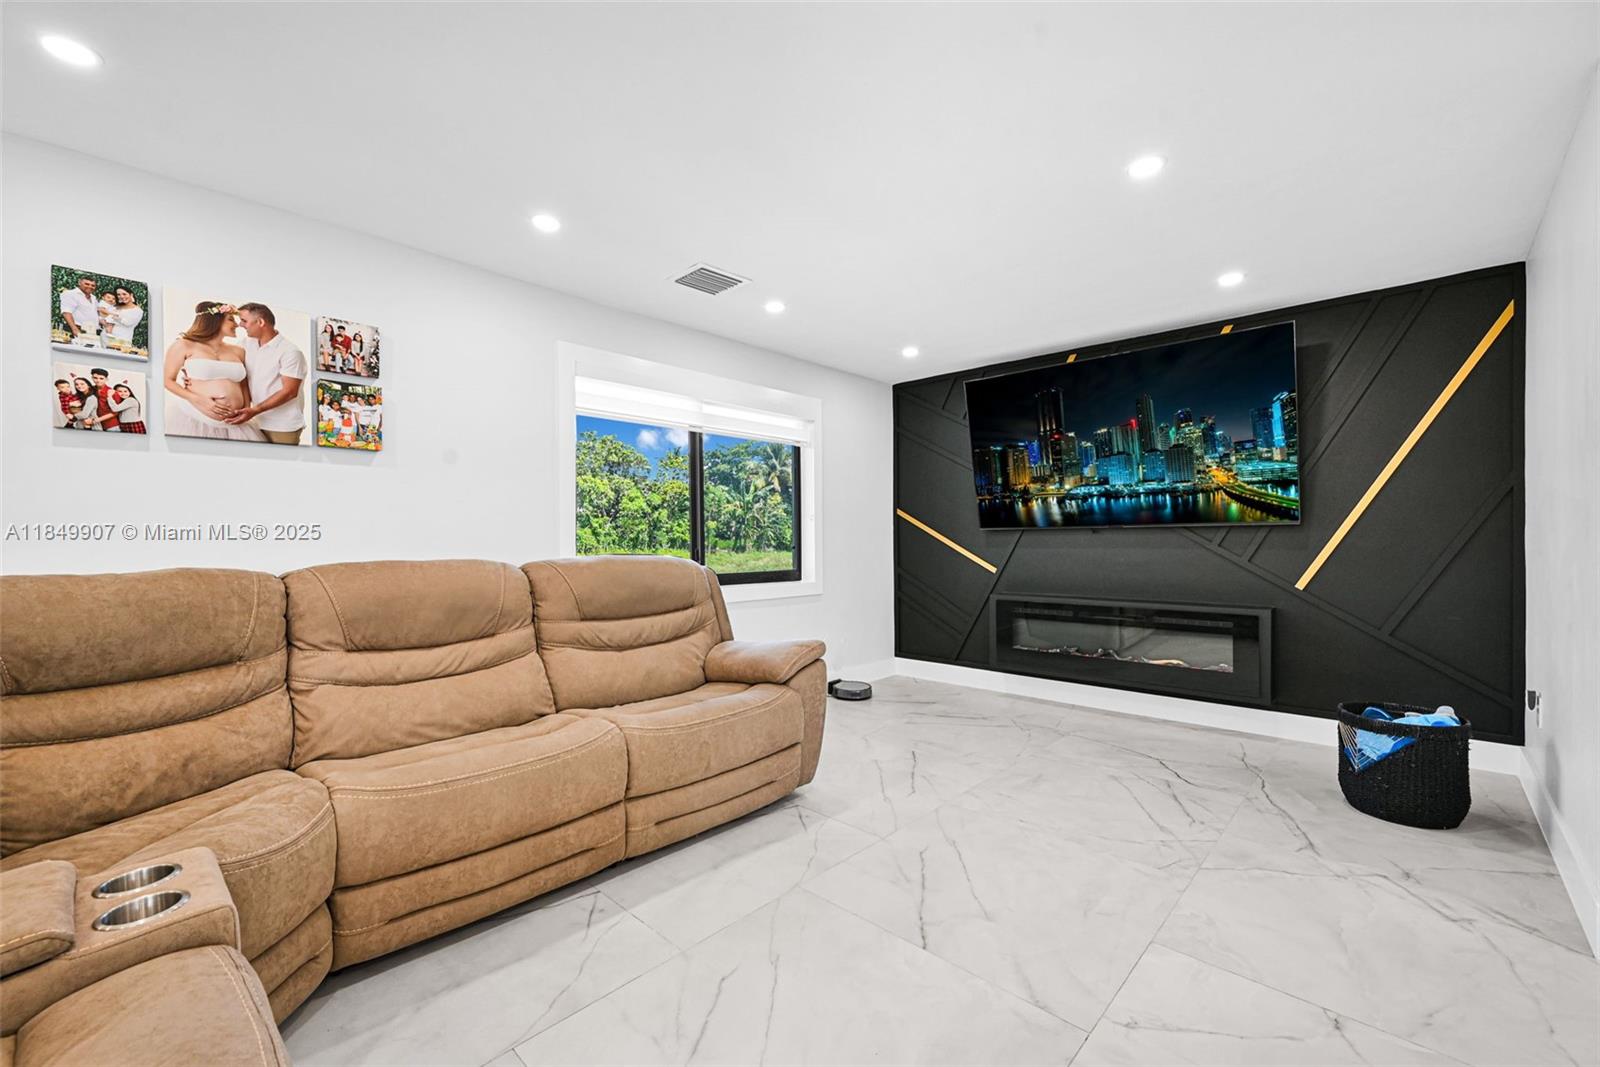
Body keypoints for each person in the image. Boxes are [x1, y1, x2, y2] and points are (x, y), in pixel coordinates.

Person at [162, 301, 265, 441]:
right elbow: (167, 380)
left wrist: (246, 408)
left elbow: (243, 384)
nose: (236, 324)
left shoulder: (239, 351)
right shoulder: (183, 345)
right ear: (214, 321)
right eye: (231, 320)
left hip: (237, 425)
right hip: (195, 419)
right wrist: (199, 399)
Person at [230, 303, 307, 445]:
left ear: (260, 322)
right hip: (254, 422)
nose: (240, 325)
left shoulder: (290, 352)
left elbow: (290, 391)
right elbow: (225, 359)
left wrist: (255, 410)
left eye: (244, 321)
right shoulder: (246, 343)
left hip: (282, 426)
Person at [59, 275, 100, 343]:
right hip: (76, 330)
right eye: (87, 284)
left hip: (92, 333)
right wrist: (75, 329)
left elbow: (94, 314)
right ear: (79, 283)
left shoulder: (94, 298)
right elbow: (66, 312)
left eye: (93, 285)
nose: (90, 286)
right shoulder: (70, 294)